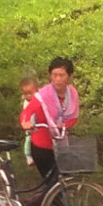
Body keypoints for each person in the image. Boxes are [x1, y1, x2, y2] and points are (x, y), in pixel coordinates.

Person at [20, 56, 79, 185]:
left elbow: (73, 118)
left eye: (62, 75)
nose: (58, 79)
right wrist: (25, 122)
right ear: (50, 76)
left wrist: (63, 124)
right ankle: (34, 205)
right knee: (53, 184)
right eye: (54, 75)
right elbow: (27, 111)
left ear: (69, 76)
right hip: (41, 145)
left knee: (58, 184)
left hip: (60, 145)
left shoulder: (72, 94)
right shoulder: (43, 95)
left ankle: (30, 205)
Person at [19, 74, 39, 168]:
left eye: (30, 93)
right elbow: (25, 114)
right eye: (25, 93)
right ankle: (28, 156)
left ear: (36, 90)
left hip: (39, 125)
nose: (28, 95)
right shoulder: (27, 103)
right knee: (28, 140)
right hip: (30, 126)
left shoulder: (39, 99)